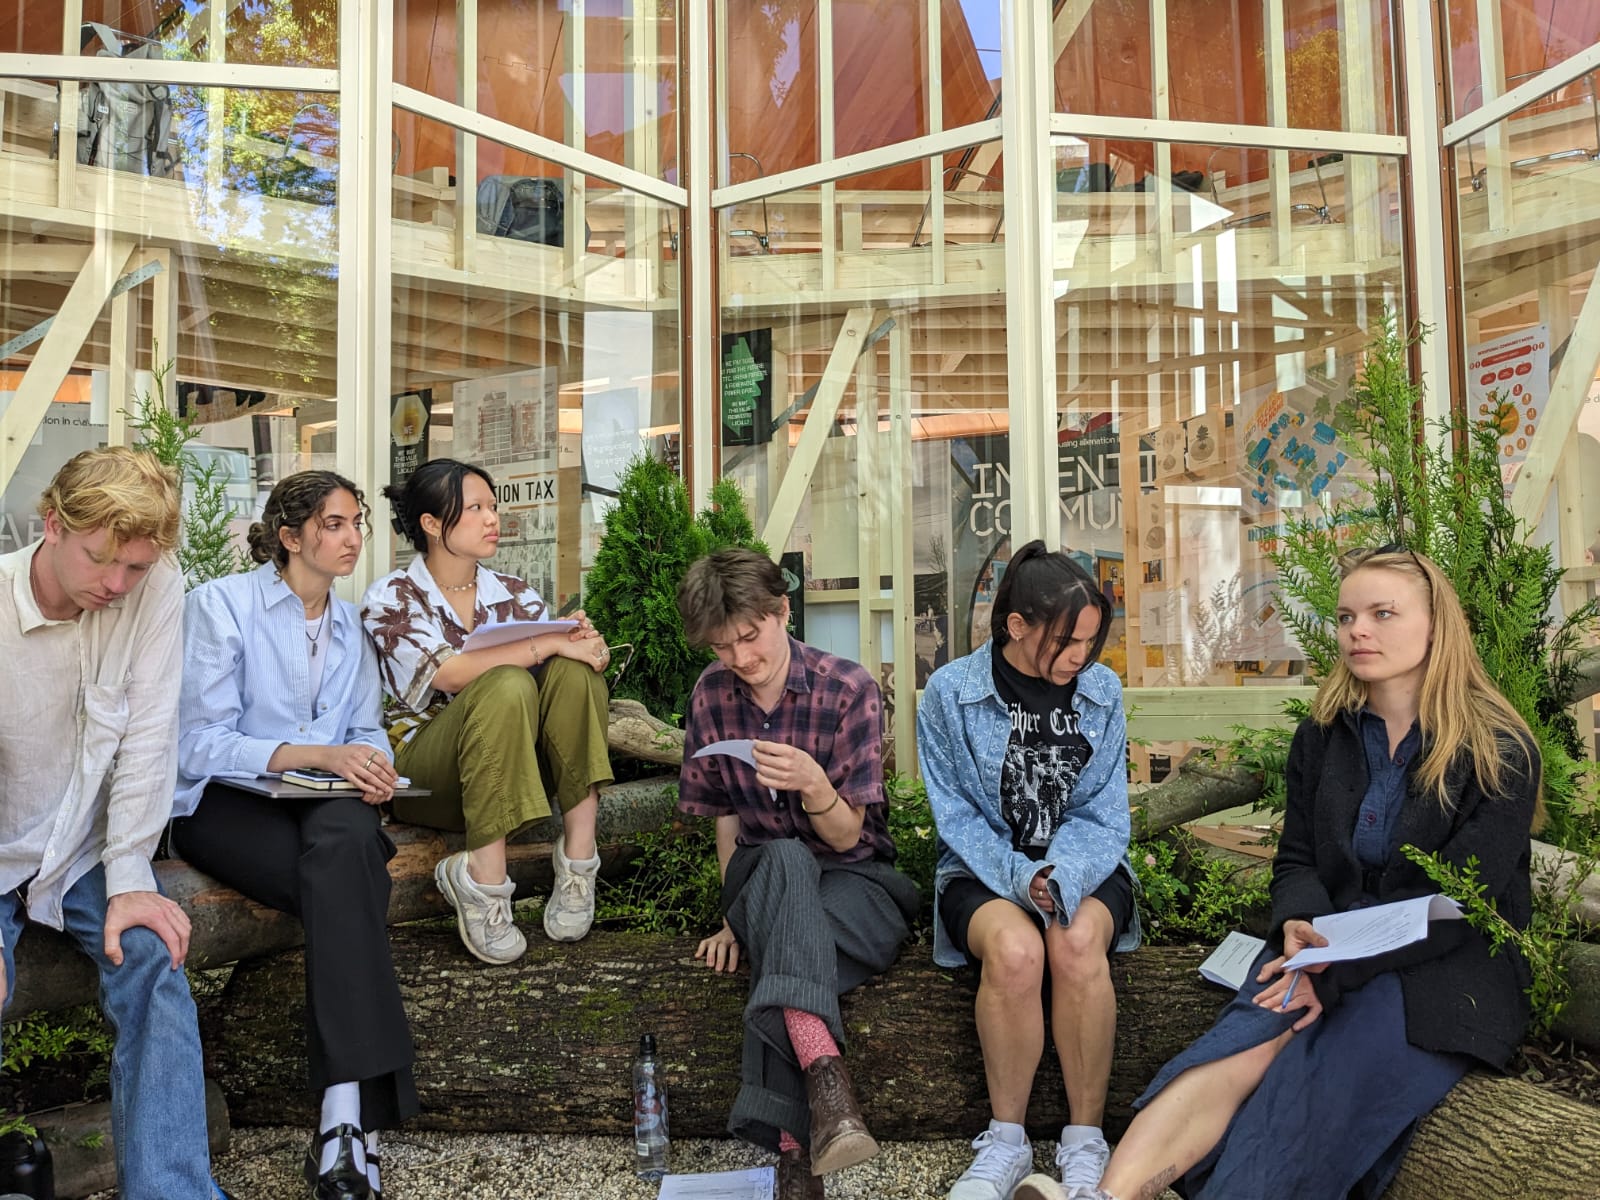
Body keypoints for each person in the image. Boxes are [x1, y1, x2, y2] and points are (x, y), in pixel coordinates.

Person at [1084, 545, 1540, 1200]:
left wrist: (1335, 974)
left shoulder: (1497, 750)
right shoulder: (1325, 735)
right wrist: (1298, 924)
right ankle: (1107, 1196)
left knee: (1315, 1079)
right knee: (1245, 1040)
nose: (1358, 630)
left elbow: (1457, 905)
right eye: (1348, 615)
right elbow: (1297, 859)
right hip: (1329, 944)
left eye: (1383, 613)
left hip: (1445, 974)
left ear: (1437, 625)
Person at [0, 447, 234, 1200]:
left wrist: (132, 875)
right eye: (102, 561)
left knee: (155, 962)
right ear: (52, 523)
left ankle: (171, 1192)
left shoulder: (156, 585)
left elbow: (148, 737)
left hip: (86, 852)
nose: (116, 585)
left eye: (133, 568)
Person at [173, 471, 415, 1200]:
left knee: (344, 841)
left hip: (324, 803)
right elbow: (196, 744)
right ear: (289, 537)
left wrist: (375, 766)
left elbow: (367, 728)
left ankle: (342, 1118)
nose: (352, 538)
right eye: (335, 524)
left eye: (356, 524)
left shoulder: (351, 627)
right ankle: (354, 1122)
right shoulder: (219, 608)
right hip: (225, 804)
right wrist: (315, 754)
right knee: (347, 867)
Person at [676, 549, 919, 1200]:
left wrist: (815, 786)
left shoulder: (847, 687)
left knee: (788, 931)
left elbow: (846, 834)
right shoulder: (711, 694)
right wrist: (735, 916)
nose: (742, 659)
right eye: (723, 648)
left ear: (783, 611)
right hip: (762, 876)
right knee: (780, 856)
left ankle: (789, 1151)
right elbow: (725, 820)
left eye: (751, 637)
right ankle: (827, 1086)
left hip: (856, 881)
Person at [918, 540, 1140, 1200]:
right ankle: (1006, 1144)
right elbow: (955, 817)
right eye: (1069, 642)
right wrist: (1021, 878)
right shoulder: (950, 694)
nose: (1083, 657)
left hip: (1088, 864)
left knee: (1073, 941)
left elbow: (1105, 813)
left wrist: (1063, 877)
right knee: (1015, 952)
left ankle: (1085, 1144)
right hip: (983, 871)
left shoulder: (1101, 692)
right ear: (1017, 626)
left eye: (1092, 642)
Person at [362, 458, 613, 964]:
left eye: (493, 507)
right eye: (475, 508)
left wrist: (586, 647)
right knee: (503, 680)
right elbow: (450, 675)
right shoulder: (391, 596)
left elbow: (559, 670)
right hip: (428, 773)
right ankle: (484, 881)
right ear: (432, 525)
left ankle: (579, 863)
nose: (492, 518)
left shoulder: (516, 594)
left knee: (573, 671)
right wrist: (546, 644)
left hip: (513, 773)